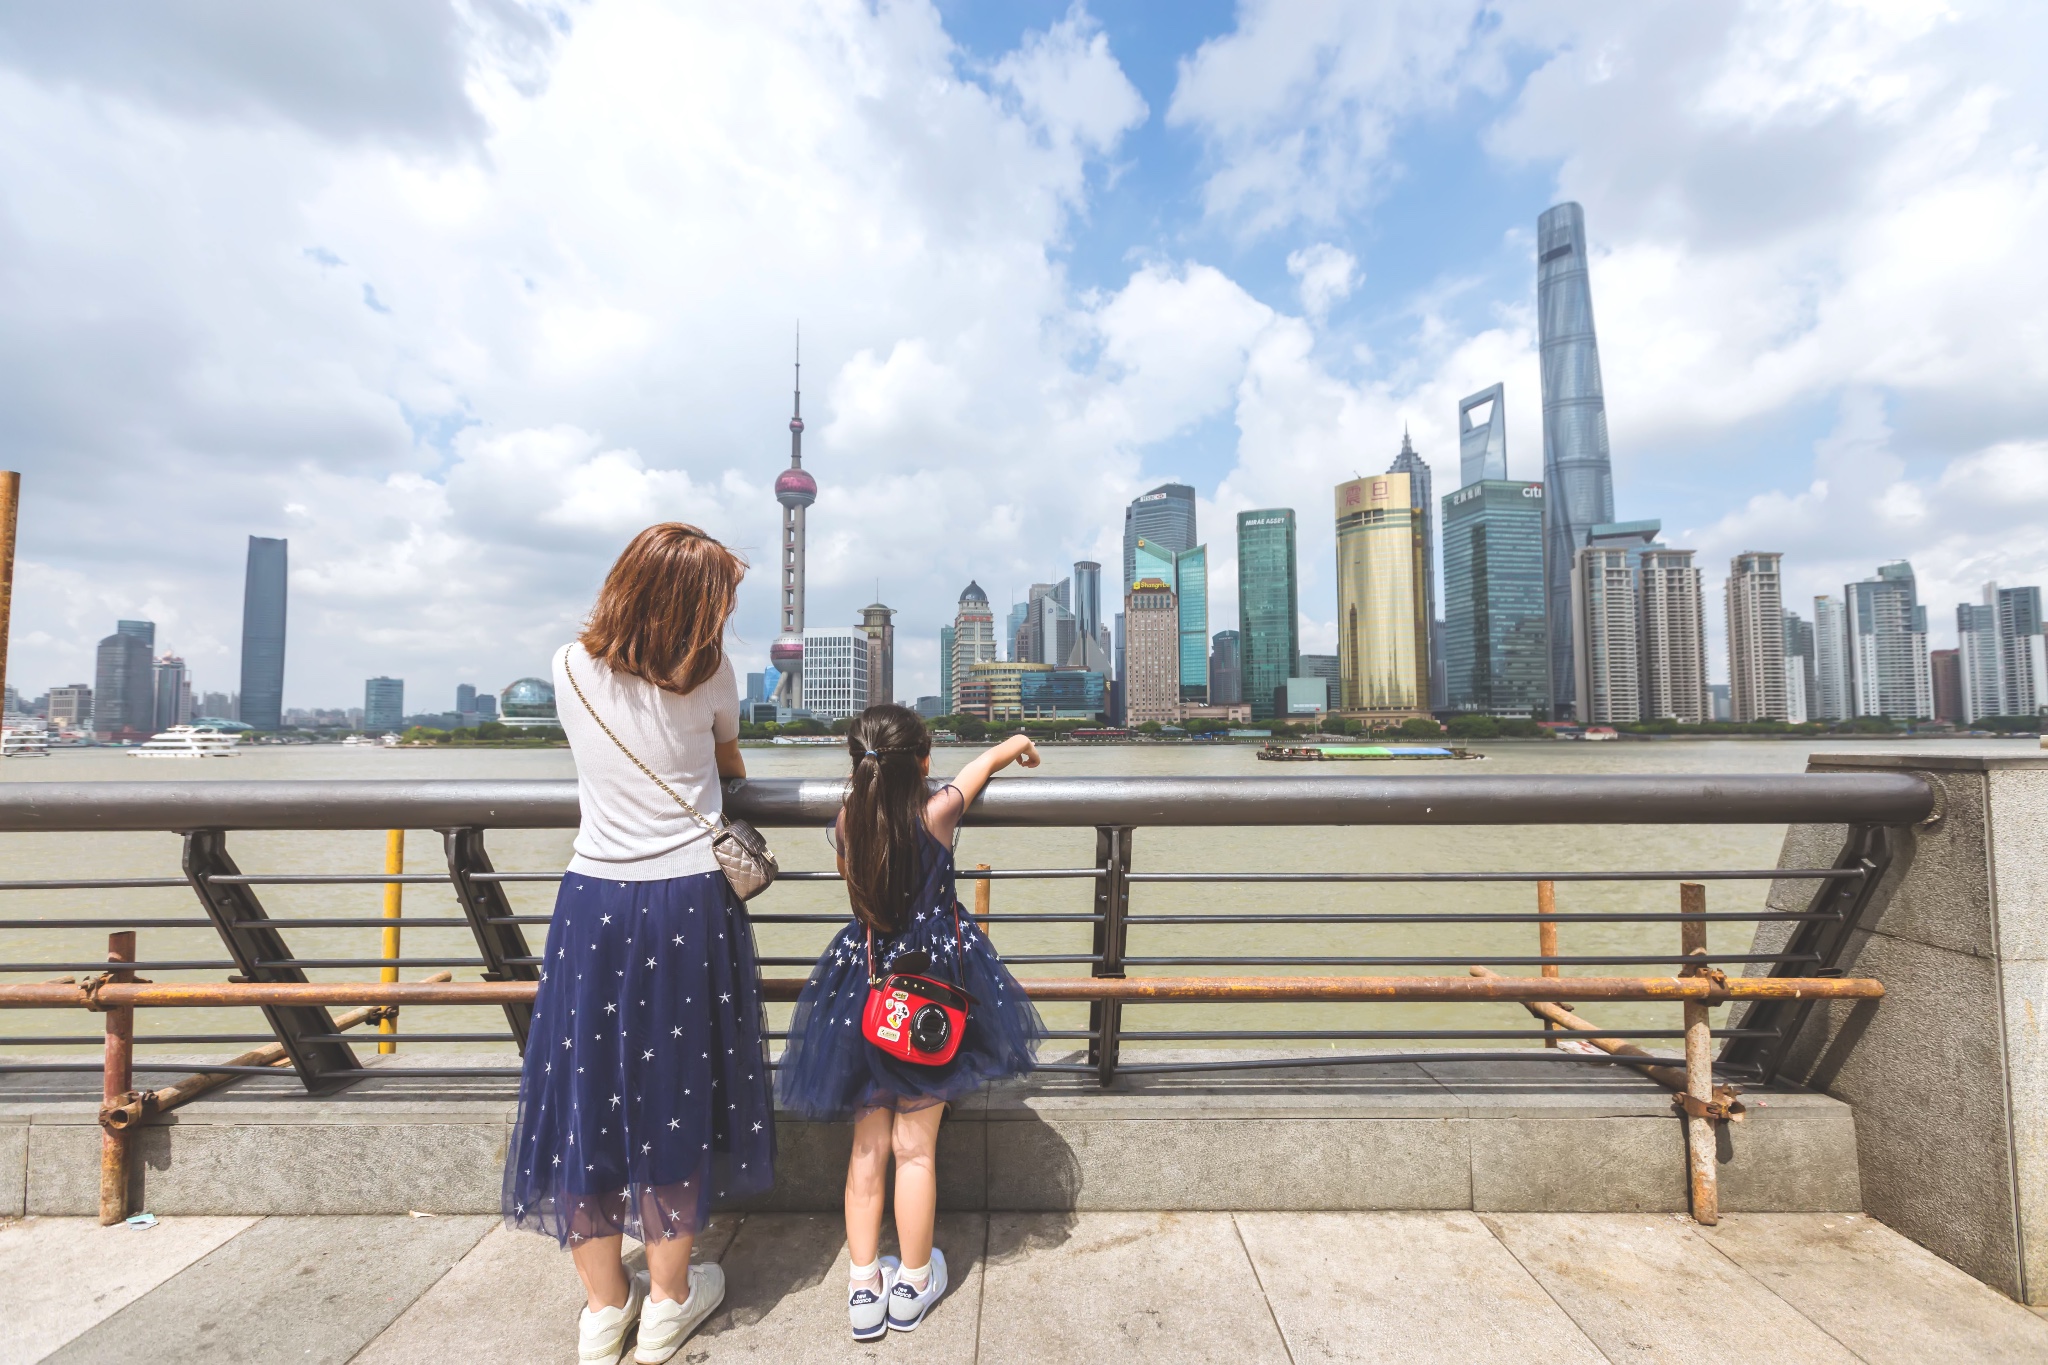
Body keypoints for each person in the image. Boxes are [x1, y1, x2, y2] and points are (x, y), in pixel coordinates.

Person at [502, 523, 774, 1365]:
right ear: (693, 604)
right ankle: (669, 1301)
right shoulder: (715, 675)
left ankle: (602, 1309)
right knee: (675, 1089)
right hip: (687, 903)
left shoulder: (565, 666)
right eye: (721, 597)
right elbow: (727, 762)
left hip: (593, 903)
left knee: (583, 1092)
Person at [776, 705, 1046, 1340]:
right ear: (923, 762)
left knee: (867, 1149)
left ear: (857, 763)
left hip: (861, 986)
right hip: (927, 992)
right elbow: (977, 770)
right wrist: (1014, 746)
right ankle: (915, 1281)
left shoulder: (846, 823)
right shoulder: (937, 814)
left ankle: (864, 1286)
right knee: (914, 1149)